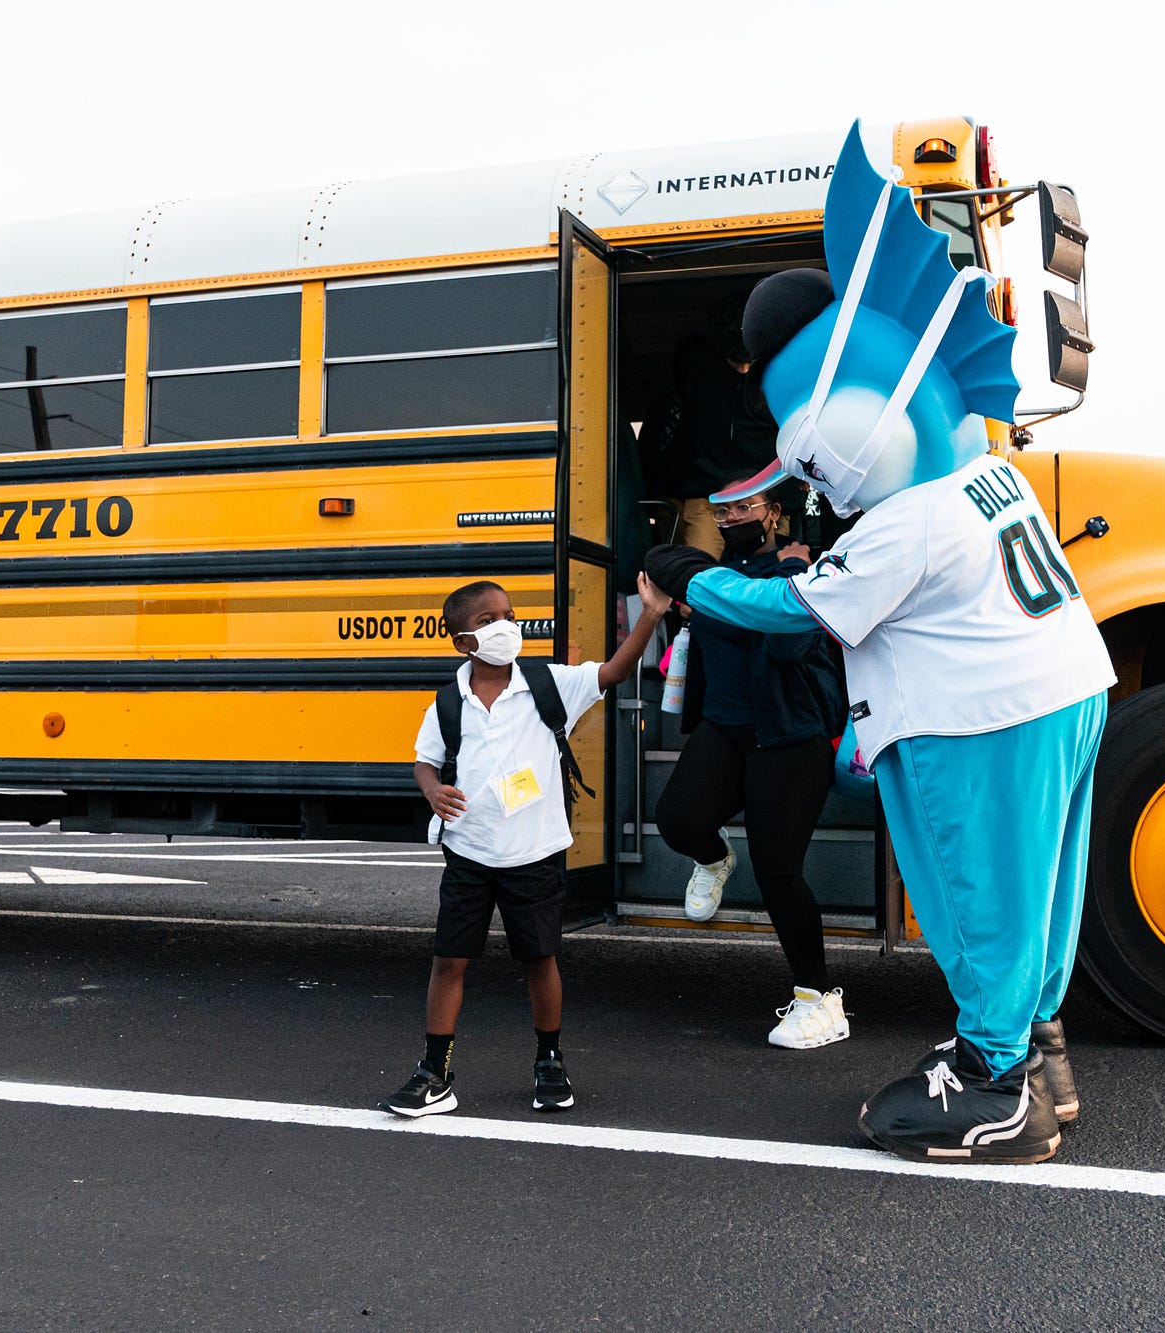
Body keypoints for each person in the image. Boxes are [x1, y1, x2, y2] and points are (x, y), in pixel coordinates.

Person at [643, 122, 1113, 1164]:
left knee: (980, 888)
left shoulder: (907, 517)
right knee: (1042, 890)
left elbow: (790, 610)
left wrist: (690, 577)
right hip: (1065, 686)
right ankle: (1040, 1055)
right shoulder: (984, 479)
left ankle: (992, 1084)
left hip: (981, 709)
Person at [381, 575, 669, 1117]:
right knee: (449, 961)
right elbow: (424, 759)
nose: (504, 627)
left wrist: (650, 616)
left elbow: (612, 672)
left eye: (508, 615)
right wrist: (431, 789)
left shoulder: (547, 684)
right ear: (461, 641)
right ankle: (434, 1071)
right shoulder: (449, 702)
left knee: (540, 958)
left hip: (534, 851)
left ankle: (550, 1061)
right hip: (468, 851)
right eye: (487, 621)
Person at [654, 461, 850, 1049]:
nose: (731, 518)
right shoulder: (716, 577)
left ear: (773, 514)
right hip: (726, 729)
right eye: (722, 511)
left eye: (743, 507)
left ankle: (819, 1001)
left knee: (779, 871)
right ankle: (715, 861)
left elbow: (791, 645)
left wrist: (794, 572)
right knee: (679, 820)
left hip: (790, 737)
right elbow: (668, 578)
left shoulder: (812, 571)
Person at [640, 333, 779, 557]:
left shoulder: (770, 392)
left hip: (758, 495)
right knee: (700, 574)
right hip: (709, 496)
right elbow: (655, 460)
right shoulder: (684, 405)